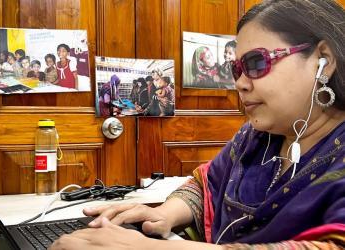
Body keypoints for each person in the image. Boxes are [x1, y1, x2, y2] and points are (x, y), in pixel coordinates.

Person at [51, 0, 345, 249]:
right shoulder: (255, 137)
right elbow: (206, 184)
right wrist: (165, 214)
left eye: (256, 63)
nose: (240, 83)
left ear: (323, 60)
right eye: (237, 69)